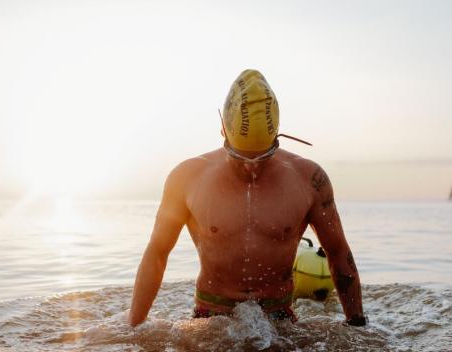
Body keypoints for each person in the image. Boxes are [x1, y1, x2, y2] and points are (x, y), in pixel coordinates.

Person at [129, 69, 366, 327]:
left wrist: (357, 325)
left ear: (278, 136)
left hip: (280, 320)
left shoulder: (308, 179)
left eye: (263, 157)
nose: (251, 167)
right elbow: (157, 253)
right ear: (223, 130)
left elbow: (338, 251)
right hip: (211, 321)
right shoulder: (187, 178)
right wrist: (134, 328)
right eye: (240, 157)